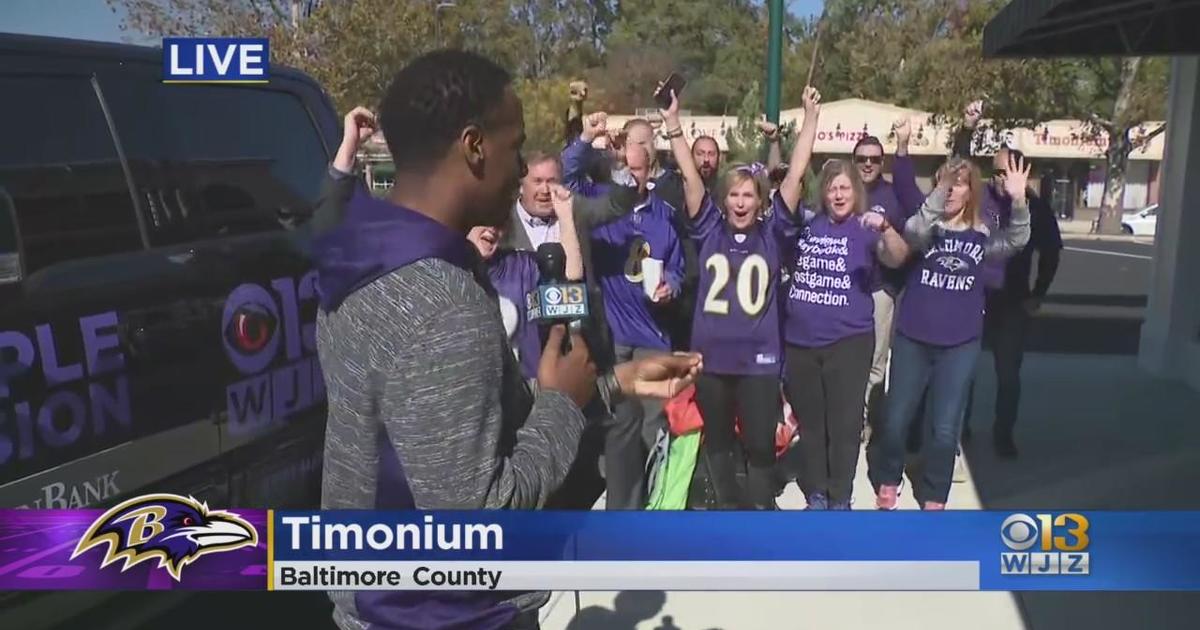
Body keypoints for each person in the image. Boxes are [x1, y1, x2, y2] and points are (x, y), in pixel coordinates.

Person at [312, 50, 702, 630]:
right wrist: (562, 405)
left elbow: (443, 423)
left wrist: (608, 383)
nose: (523, 169)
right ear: (474, 146)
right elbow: (479, 520)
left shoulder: (359, 257)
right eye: (515, 146)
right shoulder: (440, 301)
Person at [660, 83, 819, 509]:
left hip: (759, 362)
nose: (741, 201)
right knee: (717, 446)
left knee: (761, 446)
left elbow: (798, 173)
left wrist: (811, 121)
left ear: (760, 199)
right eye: (734, 194)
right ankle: (728, 516)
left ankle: (759, 514)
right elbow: (691, 178)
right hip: (712, 359)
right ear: (724, 199)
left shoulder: (772, 234)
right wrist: (673, 124)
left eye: (749, 194)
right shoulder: (709, 228)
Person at [870, 154, 1032, 511]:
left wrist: (1019, 200)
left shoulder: (982, 235)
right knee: (896, 420)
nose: (950, 190)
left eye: (957, 184)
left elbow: (1017, 241)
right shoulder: (927, 229)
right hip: (913, 338)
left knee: (945, 429)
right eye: (944, 182)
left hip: (960, 344)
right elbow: (911, 232)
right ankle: (889, 477)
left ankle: (935, 493)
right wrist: (937, 193)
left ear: (970, 191)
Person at [781, 102, 911, 511]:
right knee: (813, 425)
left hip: (849, 342)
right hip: (802, 343)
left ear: (856, 192)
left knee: (844, 424)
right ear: (825, 192)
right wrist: (810, 121)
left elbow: (898, 257)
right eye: (832, 187)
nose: (838, 193)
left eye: (845, 187)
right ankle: (817, 493)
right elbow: (792, 178)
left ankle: (841, 497)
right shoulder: (806, 223)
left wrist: (887, 229)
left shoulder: (866, 225)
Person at [563, 110, 687, 510]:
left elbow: (679, 268)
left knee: (653, 430)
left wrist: (672, 285)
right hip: (613, 335)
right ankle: (621, 509)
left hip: (652, 336)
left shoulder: (664, 217)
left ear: (650, 167)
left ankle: (653, 507)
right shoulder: (600, 203)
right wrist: (585, 138)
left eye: (640, 166)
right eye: (626, 165)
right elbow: (565, 179)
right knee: (617, 431)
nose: (633, 173)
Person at [963, 149, 1063, 458]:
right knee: (962, 370)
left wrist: (1038, 293)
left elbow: (1051, 252)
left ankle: (1003, 434)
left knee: (1007, 374)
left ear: (1022, 173)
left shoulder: (1036, 208)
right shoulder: (979, 199)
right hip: (971, 298)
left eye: (1007, 173)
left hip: (1012, 302)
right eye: (995, 172)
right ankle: (958, 430)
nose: (999, 179)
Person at [853, 122, 927, 442]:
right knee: (847, 359)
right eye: (861, 159)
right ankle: (848, 417)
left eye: (873, 159)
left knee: (875, 362)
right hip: (846, 287)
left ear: (881, 163)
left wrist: (903, 146)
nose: (867, 164)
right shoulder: (842, 191)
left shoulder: (892, 195)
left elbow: (912, 238)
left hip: (880, 287)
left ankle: (867, 422)